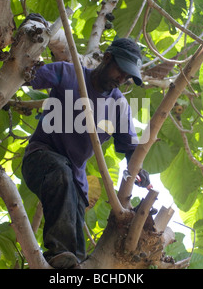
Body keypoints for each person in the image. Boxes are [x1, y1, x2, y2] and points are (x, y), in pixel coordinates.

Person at [21, 37, 151, 269]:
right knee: (60, 172)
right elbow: (26, 74)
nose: (122, 79)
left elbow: (131, 149)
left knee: (77, 259)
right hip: (40, 158)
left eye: (127, 77)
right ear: (107, 58)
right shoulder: (69, 74)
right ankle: (59, 253)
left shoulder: (118, 106)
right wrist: (33, 37)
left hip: (75, 183)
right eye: (120, 71)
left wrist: (138, 170)